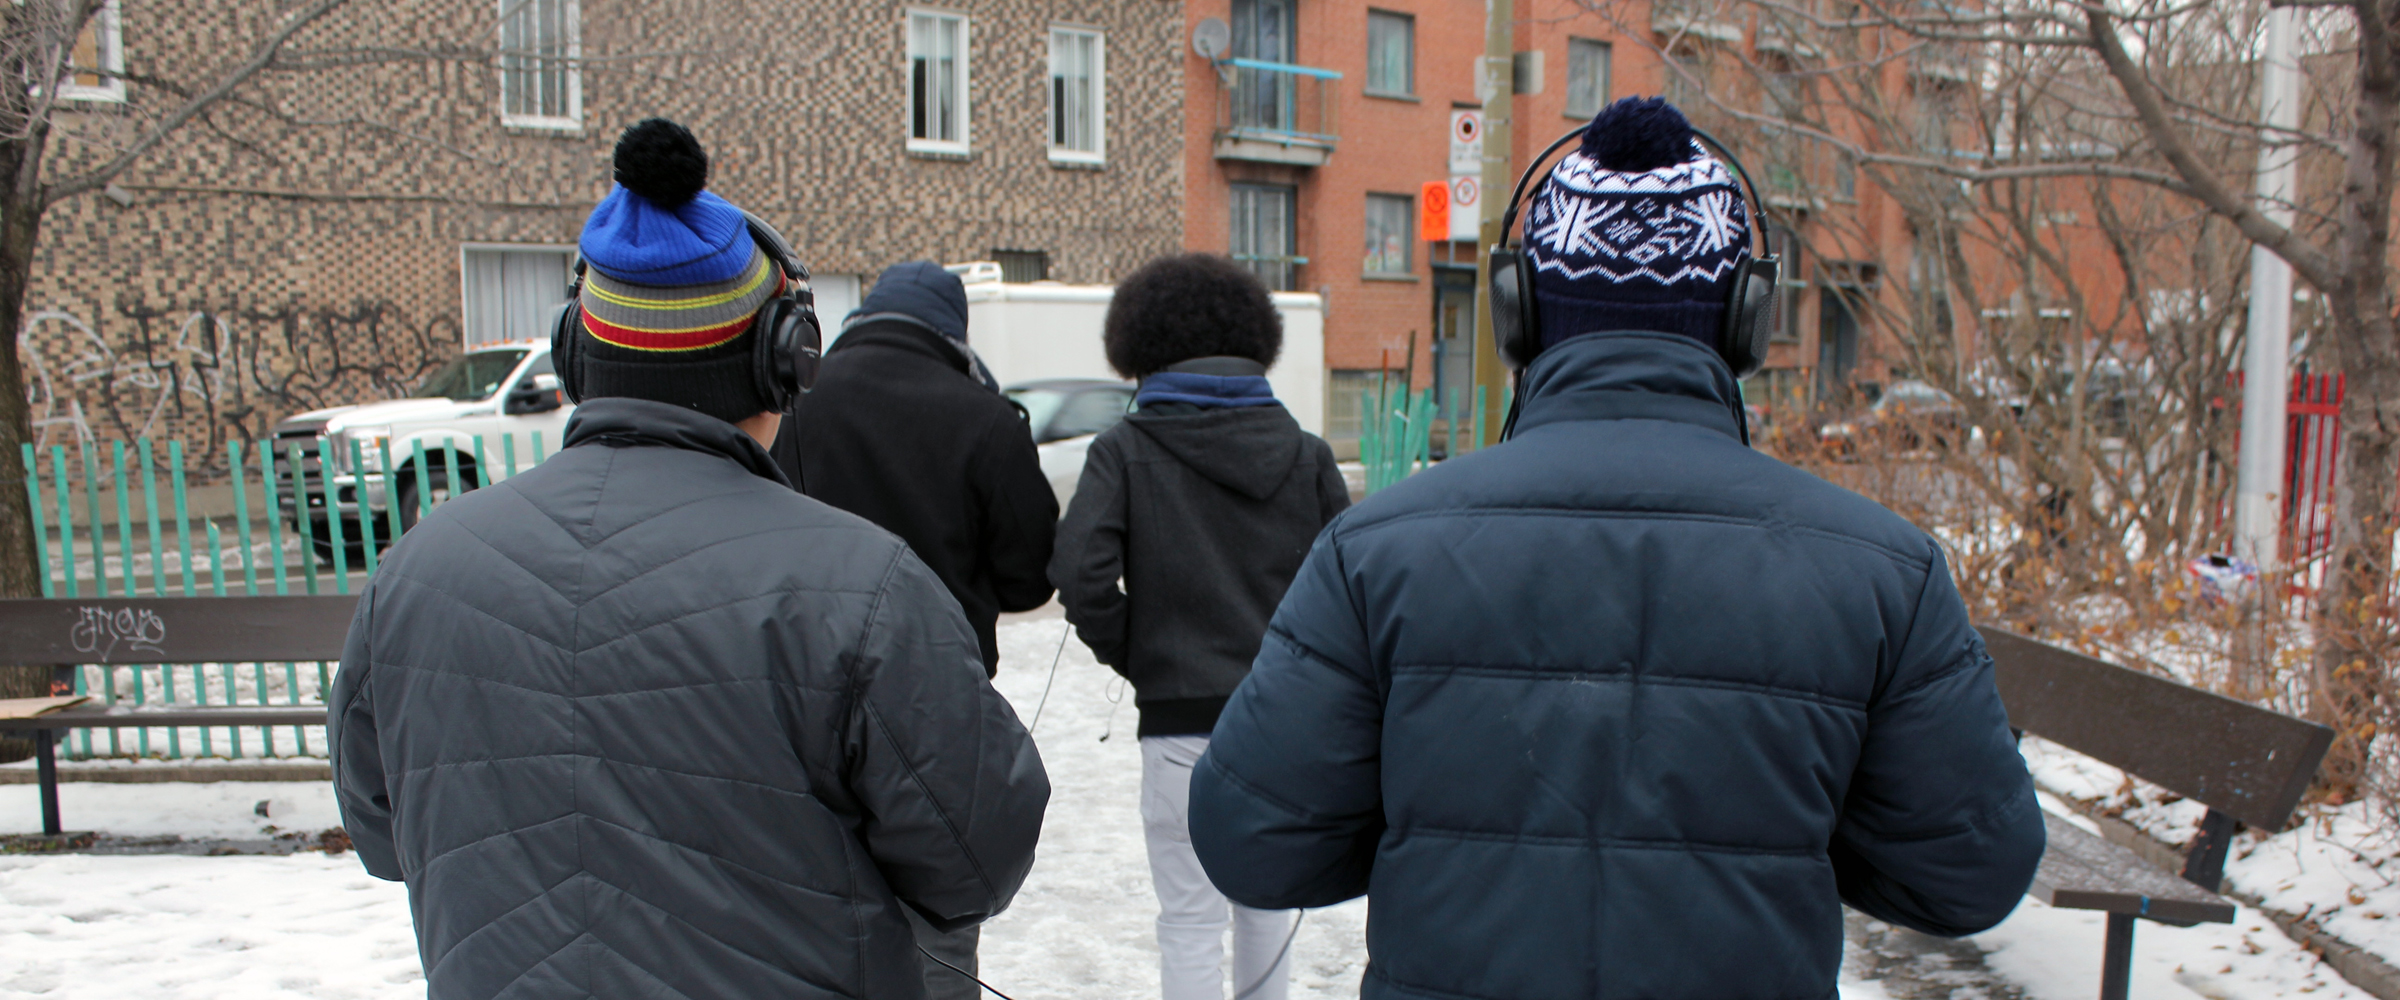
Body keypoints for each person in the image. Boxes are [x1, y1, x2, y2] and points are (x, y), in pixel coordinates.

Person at [1186, 97, 2045, 1000]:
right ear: (1747, 318)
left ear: (1517, 310)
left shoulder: (1374, 553)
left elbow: (1253, 839)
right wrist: (1790, 833)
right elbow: (1972, 869)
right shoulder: (1885, 571)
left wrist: (1431, 825)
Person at [328, 118, 1049, 1000]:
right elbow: (977, 860)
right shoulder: (867, 588)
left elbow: (382, 830)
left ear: (576, 352)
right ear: (783, 358)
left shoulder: (415, 570)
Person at [1050, 253, 1348, 1000]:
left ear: (1140, 347)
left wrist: (1143, 654)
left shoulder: (1124, 449)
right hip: (1280, 721)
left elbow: (1080, 574)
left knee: (1188, 919)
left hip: (1178, 722)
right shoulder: (1308, 455)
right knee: (1267, 908)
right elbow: (1350, 594)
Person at [770, 260, 1057, 681]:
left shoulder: (792, 402)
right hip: (943, 676)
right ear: (956, 335)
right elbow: (1031, 577)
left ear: (863, 315)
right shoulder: (989, 418)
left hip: (813, 667)